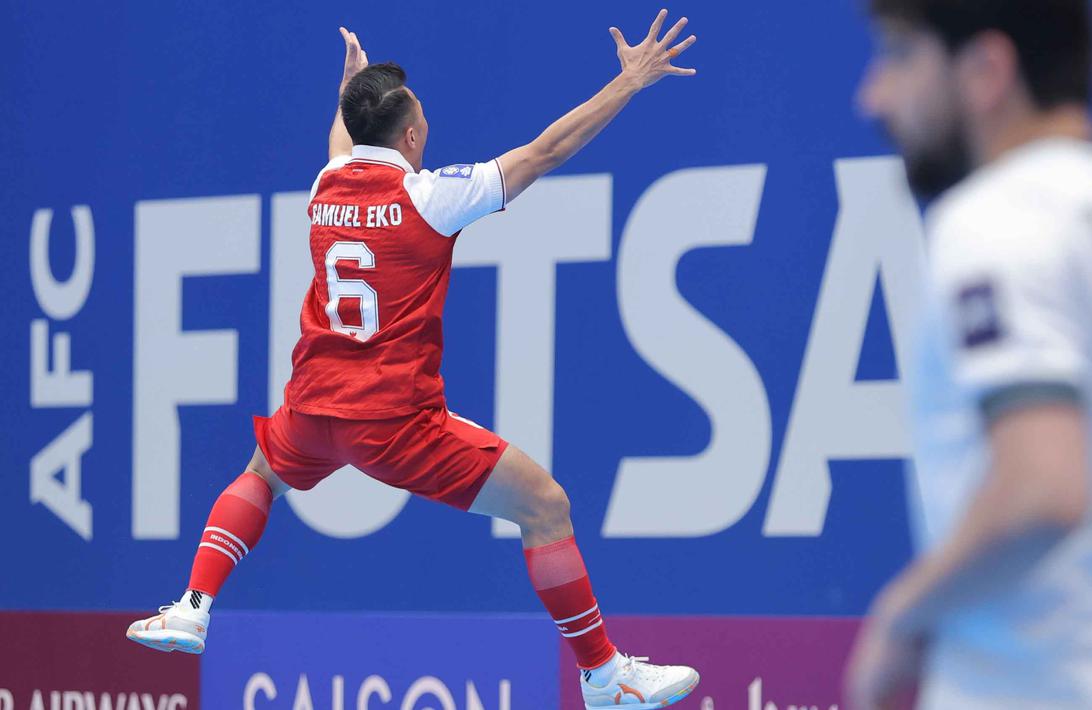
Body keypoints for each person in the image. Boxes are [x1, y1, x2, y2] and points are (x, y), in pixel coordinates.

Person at [127, 13, 701, 709]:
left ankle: (192, 605)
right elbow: (547, 151)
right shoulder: (430, 197)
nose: (424, 124)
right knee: (546, 507)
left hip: (311, 410)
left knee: (260, 476)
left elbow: (343, 143)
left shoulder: (325, 187)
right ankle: (605, 677)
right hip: (394, 423)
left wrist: (349, 91)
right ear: (410, 136)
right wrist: (628, 82)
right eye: (419, 117)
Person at [845, 1, 1092, 708]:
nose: (873, 95)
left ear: (986, 69)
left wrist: (900, 616)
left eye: (900, 56)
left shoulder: (994, 219)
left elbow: (1042, 488)